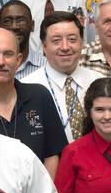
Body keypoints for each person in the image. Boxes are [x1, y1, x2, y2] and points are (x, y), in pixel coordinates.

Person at [0, 26, 66, 174]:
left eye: (8, 54)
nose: (1, 61)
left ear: (18, 60)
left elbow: (52, 156)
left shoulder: (39, 96)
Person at [22, 12, 99, 142]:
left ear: (82, 43)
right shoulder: (26, 88)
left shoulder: (98, 81)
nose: (65, 47)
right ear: (44, 46)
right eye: (56, 41)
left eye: (72, 40)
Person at [0, 1, 46, 80]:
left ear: (32, 26)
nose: (15, 26)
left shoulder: (46, 66)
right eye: (8, 21)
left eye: (21, 20)